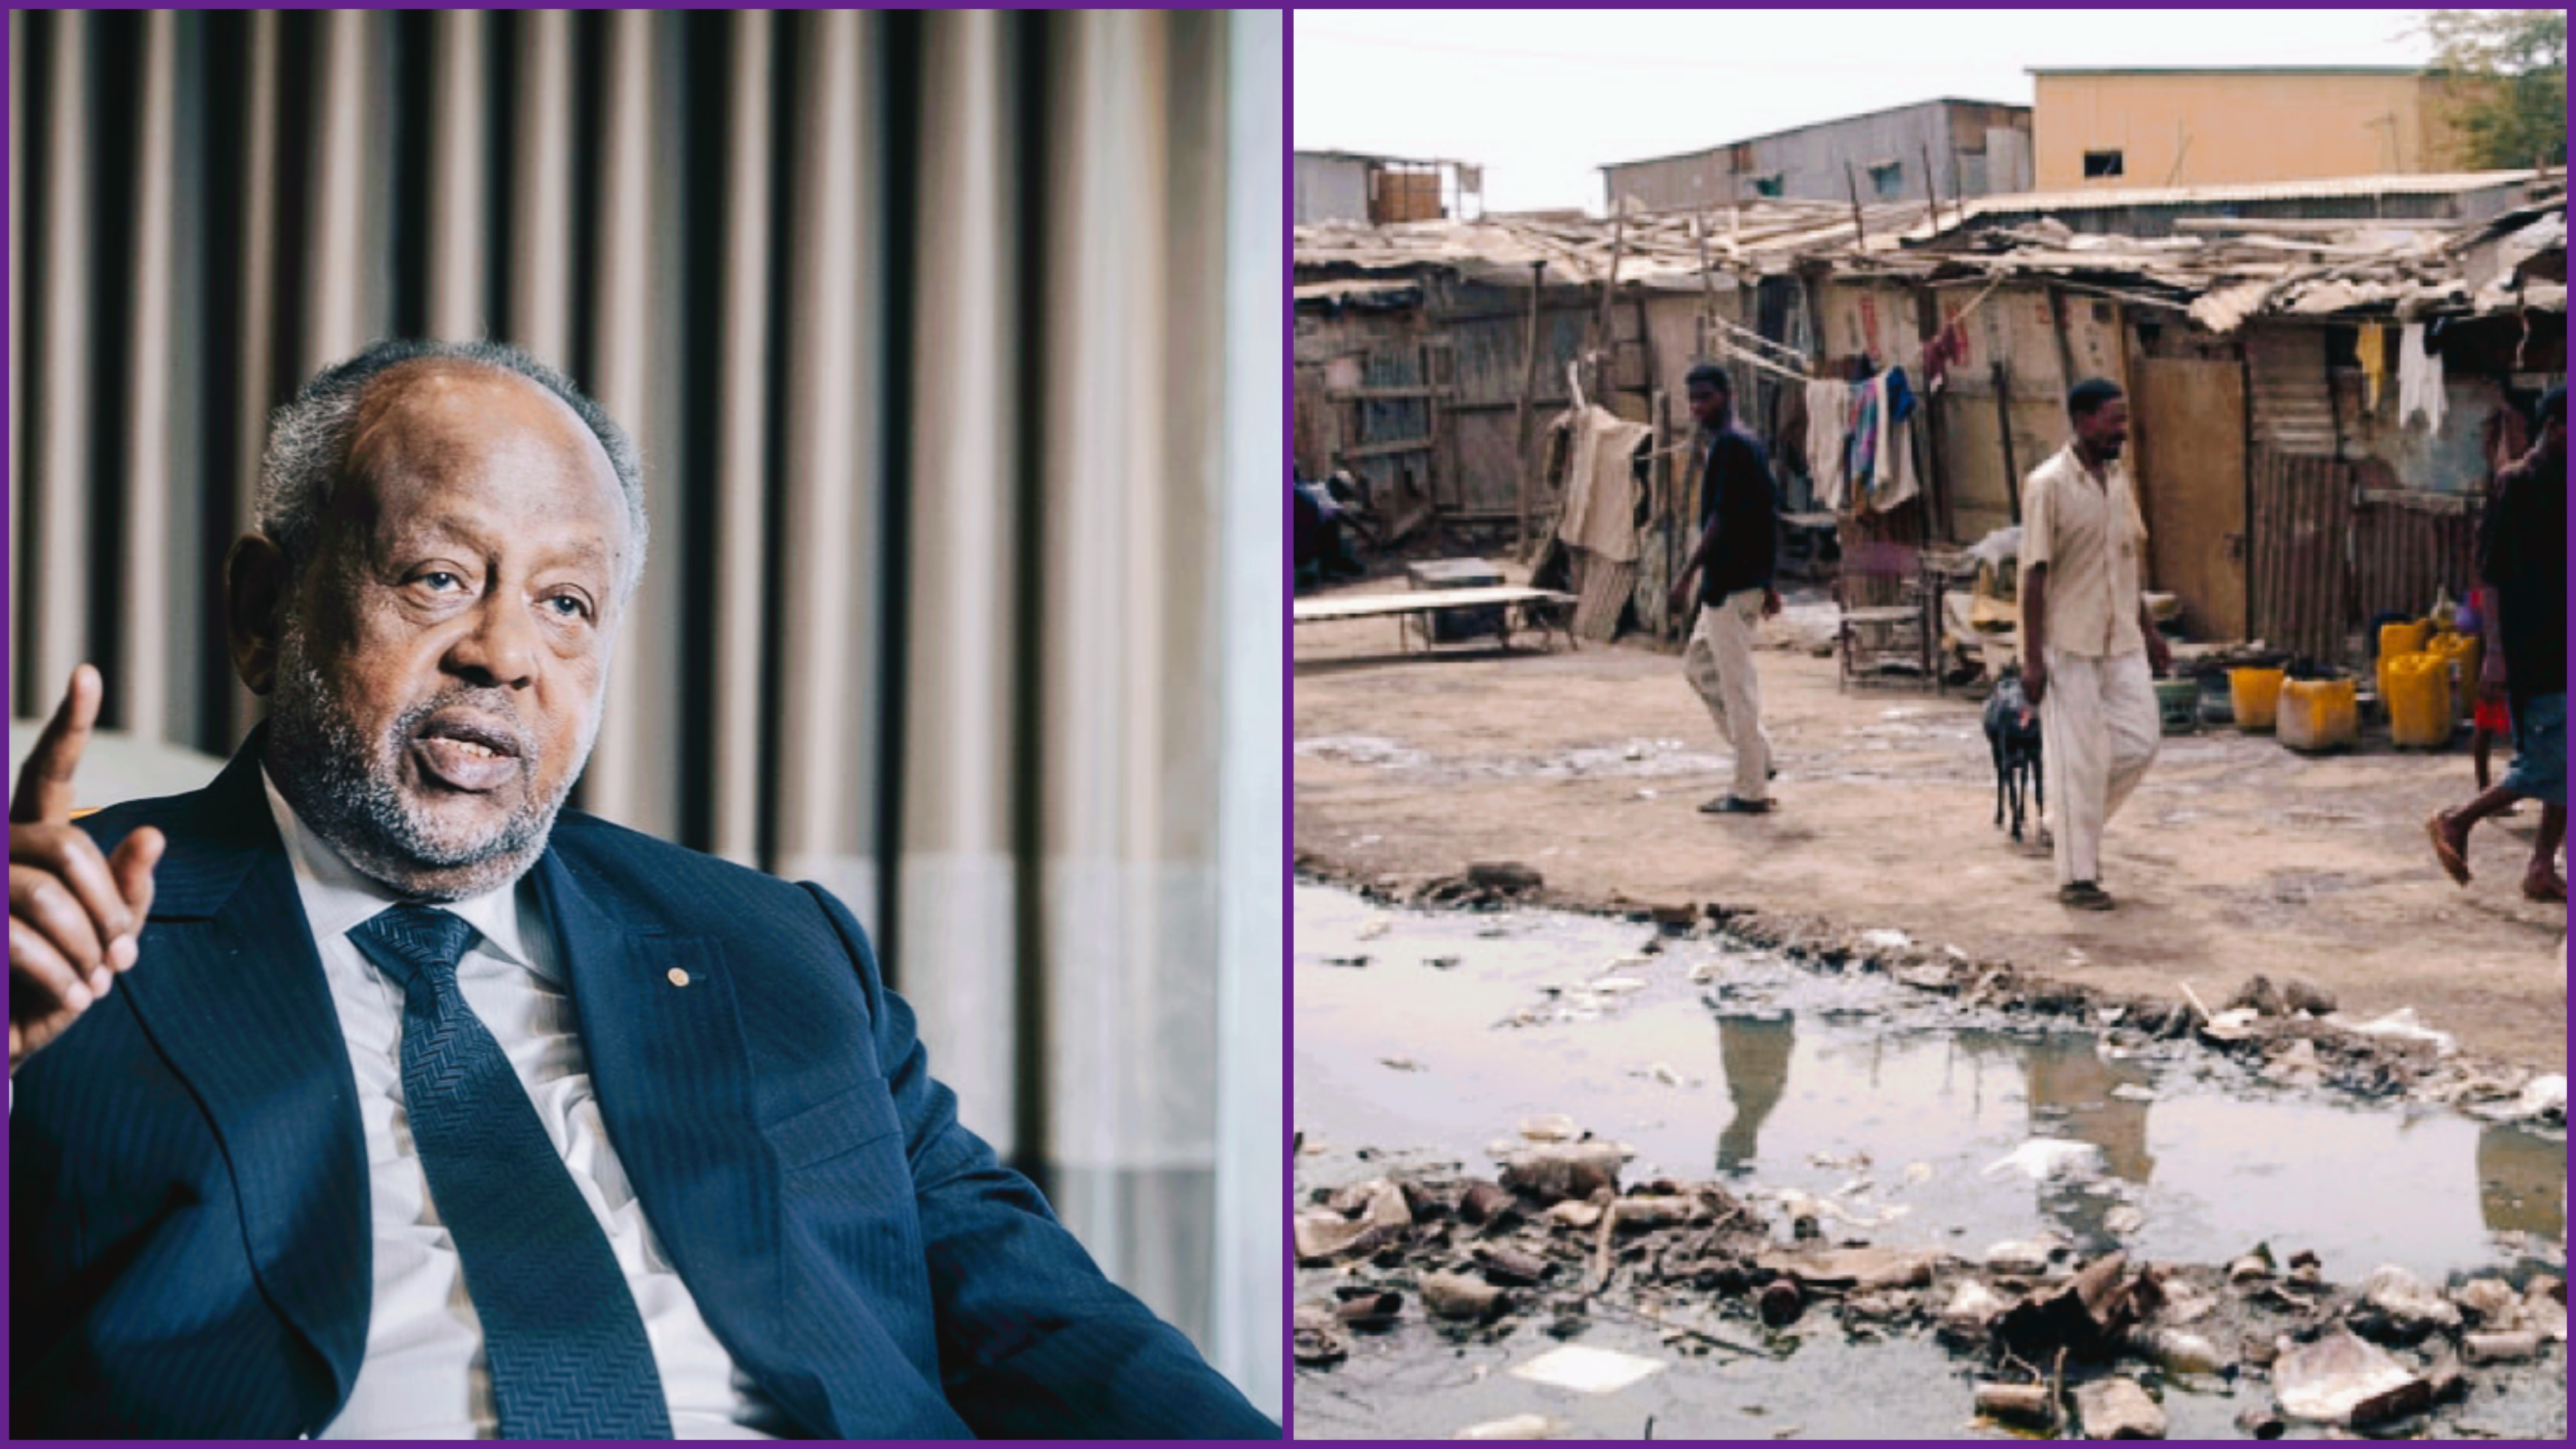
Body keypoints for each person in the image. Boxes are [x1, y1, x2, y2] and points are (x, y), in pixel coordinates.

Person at [8, 339, 1280, 1440]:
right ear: (262, 608)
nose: (503, 654)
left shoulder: (772, 948)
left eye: (566, 604)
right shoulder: (49, 936)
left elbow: (1039, 1320)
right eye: (437, 576)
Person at [2018, 378, 2170, 911]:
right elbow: (2033, 576)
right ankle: (2078, 879)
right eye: (2114, 420)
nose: (2122, 431)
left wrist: (2149, 631)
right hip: (2070, 644)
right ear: (2083, 422)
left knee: (2140, 741)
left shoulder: (2118, 481)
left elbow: (2126, 560)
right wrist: (2031, 659)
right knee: (2079, 763)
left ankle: (2063, 824)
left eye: (2124, 420)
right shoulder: (2048, 486)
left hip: (2122, 638)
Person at [2429, 384, 2566, 902]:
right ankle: (2456, 820)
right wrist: (2495, 653)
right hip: (2531, 648)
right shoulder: (2518, 486)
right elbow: (2492, 578)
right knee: (2552, 762)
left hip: (2563, 640)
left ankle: (2541, 867)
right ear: (2553, 428)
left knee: (2563, 761)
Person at [1665, 362, 1782, 815]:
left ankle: (1750, 790)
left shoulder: (1733, 446)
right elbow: (1763, 514)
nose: (1698, 408)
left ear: (1727, 395)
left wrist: (1685, 575)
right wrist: (1769, 582)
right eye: (1692, 400)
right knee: (1698, 665)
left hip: (1732, 584)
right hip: (1735, 583)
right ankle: (1759, 757)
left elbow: (1722, 518)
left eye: (1705, 398)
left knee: (1738, 689)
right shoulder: (1742, 445)